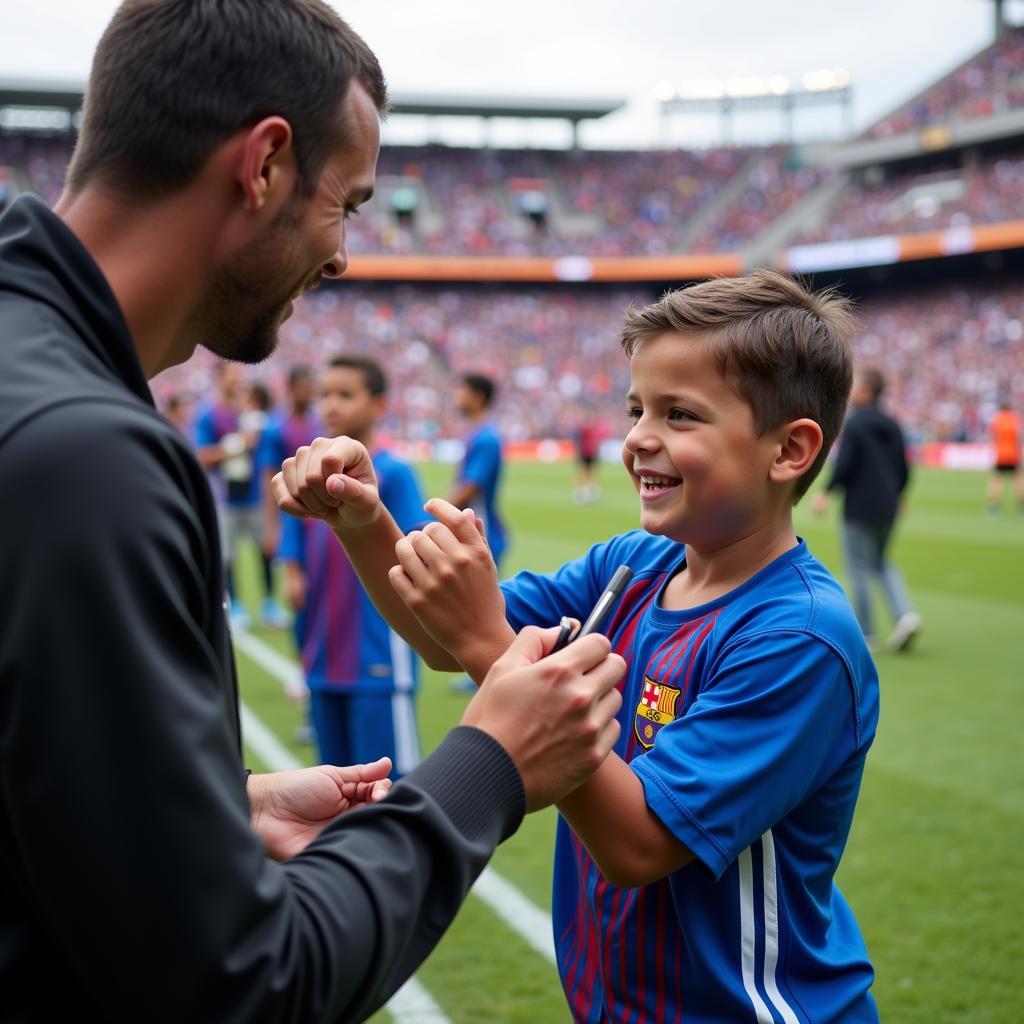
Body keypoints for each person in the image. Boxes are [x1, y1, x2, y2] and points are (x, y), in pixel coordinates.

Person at [0, 2, 626, 1021]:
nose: (340, 257)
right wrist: (490, 765)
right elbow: (241, 987)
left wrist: (220, 808)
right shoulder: (86, 455)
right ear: (265, 165)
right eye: (349, 202)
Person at [277, 270, 881, 1023]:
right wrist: (363, 524)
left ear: (788, 450)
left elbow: (636, 845)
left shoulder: (798, 638)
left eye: (680, 414)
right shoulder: (631, 566)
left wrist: (480, 638)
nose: (637, 439)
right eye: (636, 409)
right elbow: (442, 640)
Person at [280, 355, 426, 777]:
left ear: (378, 404)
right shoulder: (308, 472)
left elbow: (411, 550)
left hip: (375, 658)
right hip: (323, 654)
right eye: (325, 394)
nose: (331, 404)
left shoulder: (395, 473)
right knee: (332, 788)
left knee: (388, 790)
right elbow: (296, 538)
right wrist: (292, 570)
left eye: (346, 394)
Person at [813, 366, 922, 652]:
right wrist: (898, 494)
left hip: (860, 507)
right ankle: (905, 615)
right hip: (888, 507)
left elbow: (845, 465)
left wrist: (825, 492)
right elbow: (904, 467)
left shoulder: (856, 424)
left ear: (865, 392)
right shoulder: (894, 424)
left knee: (859, 567)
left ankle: (867, 633)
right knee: (881, 561)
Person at [196, 362, 288, 630]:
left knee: (266, 552)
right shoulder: (209, 416)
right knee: (227, 556)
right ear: (219, 378)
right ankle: (235, 605)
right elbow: (201, 456)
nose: (239, 380)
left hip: (256, 497)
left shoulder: (253, 413)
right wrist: (238, 445)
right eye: (233, 374)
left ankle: (270, 604)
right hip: (225, 500)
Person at [451, 373, 507, 568]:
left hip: (481, 532)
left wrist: (438, 511)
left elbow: (471, 486)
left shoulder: (486, 438)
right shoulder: (478, 433)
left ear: (478, 397)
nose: (456, 396)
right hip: (474, 529)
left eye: (461, 391)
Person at [986, 394, 1023, 516]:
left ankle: (994, 507)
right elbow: (1019, 438)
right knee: (1017, 479)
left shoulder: (997, 419)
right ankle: (1021, 507)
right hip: (1014, 454)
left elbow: (992, 437)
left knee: (997, 480)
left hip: (1001, 454)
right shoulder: (1015, 419)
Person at [573, 412, 604, 504]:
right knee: (584, 471)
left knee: (590, 471)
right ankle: (583, 490)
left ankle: (589, 489)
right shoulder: (584, 428)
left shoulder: (590, 427)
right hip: (585, 452)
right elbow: (579, 440)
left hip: (590, 452)